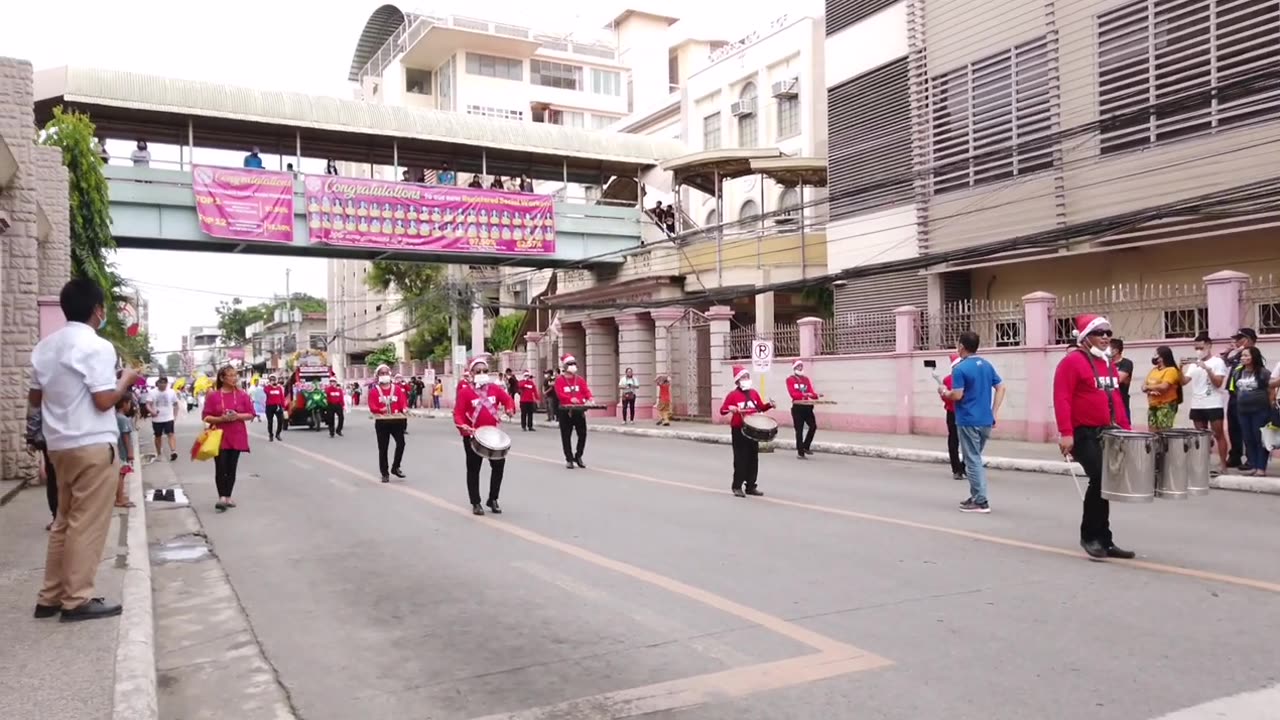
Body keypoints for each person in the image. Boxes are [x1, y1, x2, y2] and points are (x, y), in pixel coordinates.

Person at [30, 277, 139, 621]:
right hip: (92, 443)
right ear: (96, 310)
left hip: (58, 445)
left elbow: (35, 398)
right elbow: (105, 400)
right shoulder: (97, 347)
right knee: (86, 524)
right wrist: (126, 380)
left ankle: (50, 596)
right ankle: (76, 599)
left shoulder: (44, 347)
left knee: (64, 521)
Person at [1054, 314, 1135, 560]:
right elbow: (1062, 398)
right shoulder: (1072, 362)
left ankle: (1105, 539)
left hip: (1106, 432)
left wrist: (1126, 429)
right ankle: (1090, 536)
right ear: (1086, 337)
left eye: (1108, 333)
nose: (1105, 337)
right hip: (1082, 433)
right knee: (1099, 479)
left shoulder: (1106, 363)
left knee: (1105, 483)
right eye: (1100, 332)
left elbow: (1116, 399)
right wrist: (1066, 433)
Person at [940, 331, 1006, 513]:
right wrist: (994, 412)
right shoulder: (986, 365)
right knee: (974, 458)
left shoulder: (960, 369)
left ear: (961, 346)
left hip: (968, 420)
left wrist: (945, 392)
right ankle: (976, 494)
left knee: (973, 459)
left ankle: (981, 500)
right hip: (985, 419)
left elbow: (957, 395)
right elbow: (1001, 387)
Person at [454, 355, 516, 515]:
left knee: (499, 466)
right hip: (473, 436)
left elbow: (508, 400)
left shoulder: (495, 389)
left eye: (485, 370)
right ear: (472, 373)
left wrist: (510, 409)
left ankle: (493, 498)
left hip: (493, 435)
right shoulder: (465, 392)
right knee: (474, 469)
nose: (482, 373)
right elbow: (458, 414)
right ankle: (475, 502)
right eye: (478, 371)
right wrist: (464, 427)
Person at [202, 366, 254, 512]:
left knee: (232, 468)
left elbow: (250, 414)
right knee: (221, 467)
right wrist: (221, 418)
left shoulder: (242, 395)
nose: (234, 378)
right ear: (222, 378)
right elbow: (205, 416)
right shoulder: (213, 396)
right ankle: (221, 497)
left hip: (237, 435)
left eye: (235, 375)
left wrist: (237, 416)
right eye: (230, 375)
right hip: (218, 436)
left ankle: (228, 496)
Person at [720, 366, 774, 497]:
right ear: (737, 381)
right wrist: (730, 408)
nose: (746, 380)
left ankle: (751, 486)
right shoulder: (733, 395)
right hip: (739, 429)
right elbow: (722, 410)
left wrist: (769, 405)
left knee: (753, 458)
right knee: (740, 458)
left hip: (752, 430)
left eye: (747, 377)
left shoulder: (754, 393)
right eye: (743, 377)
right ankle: (737, 486)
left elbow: (760, 407)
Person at [1181, 332, 1229, 473]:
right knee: (1201, 437)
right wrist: (1180, 368)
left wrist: (1207, 369)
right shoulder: (1193, 364)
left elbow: (1218, 383)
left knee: (1218, 434)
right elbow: (1183, 382)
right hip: (1197, 403)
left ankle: (1223, 465)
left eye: (1201, 348)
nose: (1198, 351)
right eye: (1196, 348)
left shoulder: (1217, 362)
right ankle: (1202, 466)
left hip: (1213, 403)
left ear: (1209, 346)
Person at [1233, 347, 1274, 477]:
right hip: (1243, 411)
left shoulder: (1263, 372)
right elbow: (1235, 389)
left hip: (1260, 411)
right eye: (1242, 356)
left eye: (1246, 355)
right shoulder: (1238, 372)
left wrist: (1270, 406)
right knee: (1248, 438)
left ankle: (1261, 467)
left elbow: (1271, 390)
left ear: (1254, 357)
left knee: (1259, 439)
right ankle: (1253, 465)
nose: (1243, 358)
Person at [1223, 328, 1258, 470]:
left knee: (1247, 429)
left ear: (1249, 340)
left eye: (1240, 339)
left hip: (1246, 396)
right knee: (1234, 428)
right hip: (1233, 395)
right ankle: (1235, 456)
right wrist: (1227, 352)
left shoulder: (1254, 355)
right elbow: (1227, 362)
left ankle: (1251, 458)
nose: (1236, 342)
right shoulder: (1238, 356)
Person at [368, 364, 408, 483]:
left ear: (390, 374)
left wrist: (405, 409)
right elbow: (372, 406)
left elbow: (403, 402)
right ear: (378, 376)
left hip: (397, 421)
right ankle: (384, 473)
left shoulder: (397, 389)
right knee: (383, 448)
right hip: (382, 422)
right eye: (382, 373)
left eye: (386, 373)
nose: (384, 375)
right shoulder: (374, 391)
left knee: (401, 443)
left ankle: (396, 467)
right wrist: (380, 410)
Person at [554, 354, 594, 469]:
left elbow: (586, 391)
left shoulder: (580, 380)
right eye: (570, 364)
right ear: (565, 366)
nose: (573, 366)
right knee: (566, 435)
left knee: (582, 434)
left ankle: (578, 456)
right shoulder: (559, 380)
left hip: (578, 411)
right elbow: (559, 394)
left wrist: (590, 398)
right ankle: (569, 459)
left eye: (574, 364)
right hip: (565, 411)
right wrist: (570, 399)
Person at [786, 360, 821, 458]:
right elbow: (793, 394)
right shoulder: (790, 379)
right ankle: (800, 452)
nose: (800, 368)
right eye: (798, 367)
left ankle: (806, 446)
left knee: (813, 426)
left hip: (807, 406)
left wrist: (815, 395)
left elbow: (811, 392)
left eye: (801, 366)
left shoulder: (806, 379)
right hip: (798, 407)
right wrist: (805, 394)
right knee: (799, 430)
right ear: (794, 368)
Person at [1142, 345, 1182, 430]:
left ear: (1162, 357)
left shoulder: (1171, 370)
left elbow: (1164, 386)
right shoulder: (1154, 370)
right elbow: (1144, 385)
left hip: (1165, 405)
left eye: (1156, 355)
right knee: (1152, 431)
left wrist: (1149, 387)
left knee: (1163, 432)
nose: (1154, 357)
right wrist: (1149, 391)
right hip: (1153, 405)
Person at [941, 354, 965, 481]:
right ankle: (962, 468)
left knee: (954, 441)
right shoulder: (965, 377)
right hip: (963, 413)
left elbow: (945, 397)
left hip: (952, 412)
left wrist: (943, 392)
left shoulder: (947, 380)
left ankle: (957, 469)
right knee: (966, 441)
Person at [147, 376, 180, 462]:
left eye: (164, 383)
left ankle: (173, 451)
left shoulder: (171, 392)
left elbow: (176, 404)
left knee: (170, 434)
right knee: (158, 436)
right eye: (161, 383)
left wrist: (175, 415)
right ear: (158, 384)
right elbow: (148, 404)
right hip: (157, 418)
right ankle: (159, 453)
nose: (163, 385)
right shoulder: (152, 392)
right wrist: (152, 412)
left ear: (167, 384)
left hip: (168, 417)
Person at [115, 394, 136, 509]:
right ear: (124, 404)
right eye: (129, 403)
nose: (130, 406)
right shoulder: (123, 419)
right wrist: (130, 453)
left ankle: (120, 496)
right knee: (121, 475)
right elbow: (126, 437)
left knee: (119, 475)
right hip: (122, 452)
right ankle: (119, 498)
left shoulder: (115, 417)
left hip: (116, 451)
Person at [1109, 338, 1133, 424]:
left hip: (1122, 402)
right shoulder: (1105, 362)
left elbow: (1118, 379)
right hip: (1108, 403)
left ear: (1115, 351)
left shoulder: (1126, 363)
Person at [264, 374, 287, 442]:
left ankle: (278, 434)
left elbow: (282, 397)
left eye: (274, 380)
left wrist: (283, 406)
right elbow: (266, 392)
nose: (273, 381)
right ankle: (271, 435)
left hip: (278, 406)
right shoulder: (267, 387)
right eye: (271, 380)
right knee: (270, 422)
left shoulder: (279, 388)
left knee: (280, 421)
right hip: (269, 406)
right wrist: (270, 386)